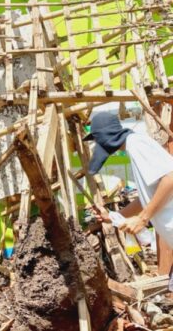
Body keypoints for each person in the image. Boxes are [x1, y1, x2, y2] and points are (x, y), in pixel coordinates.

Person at [86, 112, 173, 287]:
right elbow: (147, 197)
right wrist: (114, 216)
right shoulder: (135, 145)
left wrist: (142, 219)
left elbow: (170, 178)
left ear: (104, 136)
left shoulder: (136, 144)